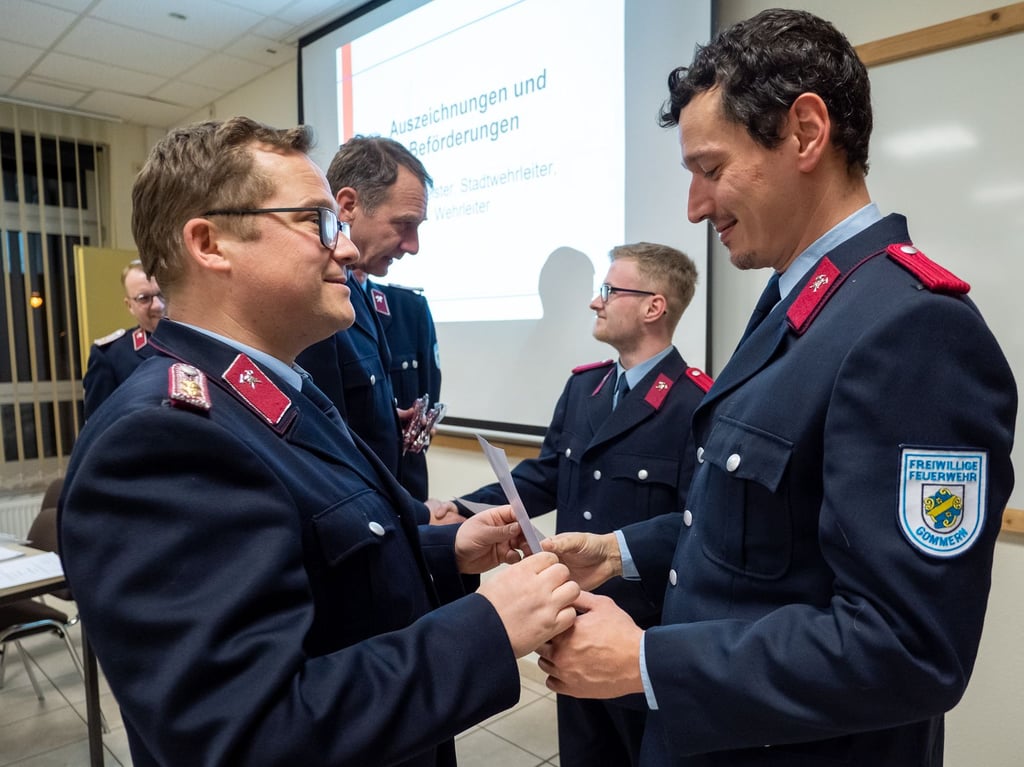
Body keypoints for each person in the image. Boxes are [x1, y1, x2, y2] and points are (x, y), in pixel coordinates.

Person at [536, 10, 1017, 766]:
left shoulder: (913, 331)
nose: (696, 205)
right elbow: (753, 535)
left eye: (711, 168)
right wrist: (620, 549)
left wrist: (647, 663)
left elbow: (907, 646)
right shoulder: (797, 306)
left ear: (804, 132)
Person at [57, 116, 580, 767]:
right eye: (316, 222)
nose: (350, 250)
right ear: (210, 242)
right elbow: (245, 736)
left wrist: (445, 551)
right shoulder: (163, 437)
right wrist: (490, 628)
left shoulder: (265, 392)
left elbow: (320, 560)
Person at [432, 241, 712, 767]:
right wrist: (462, 509)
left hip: (640, 631)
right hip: (570, 613)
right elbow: (548, 475)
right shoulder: (585, 387)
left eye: (609, 290)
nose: (594, 302)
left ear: (655, 306)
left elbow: (697, 525)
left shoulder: (695, 403)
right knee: (583, 752)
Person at [297, 136, 430, 491]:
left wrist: (386, 420)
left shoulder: (356, 291)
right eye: (403, 224)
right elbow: (327, 454)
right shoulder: (315, 300)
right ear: (348, 205)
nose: (413, 246)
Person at [358, 270, 442, 501]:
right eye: (402, 230)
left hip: (407, 489)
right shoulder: (319, 308)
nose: (412, 247)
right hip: (352, 492)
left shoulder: (409, 308)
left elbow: (428, 399)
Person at [81, 259, 166, 417]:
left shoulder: (197, 343)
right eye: (144, 298)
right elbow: (99, 427)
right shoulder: (110, 356)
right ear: (129, 306)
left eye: (162, 294)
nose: (157, 305)